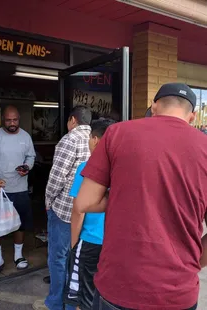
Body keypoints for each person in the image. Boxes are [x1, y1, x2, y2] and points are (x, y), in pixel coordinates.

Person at [75, 83, 207, 310]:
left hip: (119, 287)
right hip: (178, 293)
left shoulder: (117, 133)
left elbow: (85, 202)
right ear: (193, 116)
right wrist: (193, 264)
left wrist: (122, 195)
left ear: (154, 107)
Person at [33, 106, 92, 310]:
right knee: (76, 260)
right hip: (87, 211)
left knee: (58, 258)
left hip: (65, 211)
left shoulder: (69, 140)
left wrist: (48, 201)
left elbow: (56, 178)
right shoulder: (96, 139)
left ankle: (55, 303)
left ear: (72, 120)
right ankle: (72, 303)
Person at [64, 118, 115, 310]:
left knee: (82, 297)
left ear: (94, 139)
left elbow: (78, 209)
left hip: (90, 240)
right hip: (113, 243)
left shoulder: (87, 167)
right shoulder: (121, 169)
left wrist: (74, 243)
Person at [0, 105, 36, 279]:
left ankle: (18, 255)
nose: (12, 123)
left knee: (19, 223)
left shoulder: (25, 137)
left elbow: (31, 156)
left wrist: (27, 167)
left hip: (19, 188)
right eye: (8, 120)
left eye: (15, 120)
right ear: (2, 120)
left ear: (19, 119)